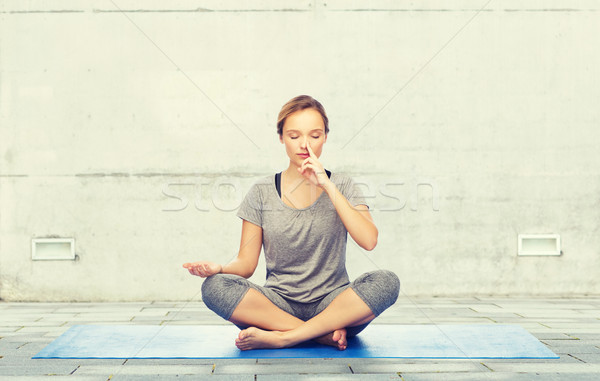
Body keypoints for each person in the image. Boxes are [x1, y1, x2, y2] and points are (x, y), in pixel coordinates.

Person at [183, 95, 399, 351]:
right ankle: (319, 335)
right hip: (277, 305)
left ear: (326, 138)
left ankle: (285, 337)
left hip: (334, 305)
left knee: (387, 281)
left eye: (315, 136)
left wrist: (327, 185)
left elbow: (369, 240)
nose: (304, 145)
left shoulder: (342, 185)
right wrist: (219, 267)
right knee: (214, 287)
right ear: (281, 137)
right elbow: (246, 264)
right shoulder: (261, 191)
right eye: (294, 136)